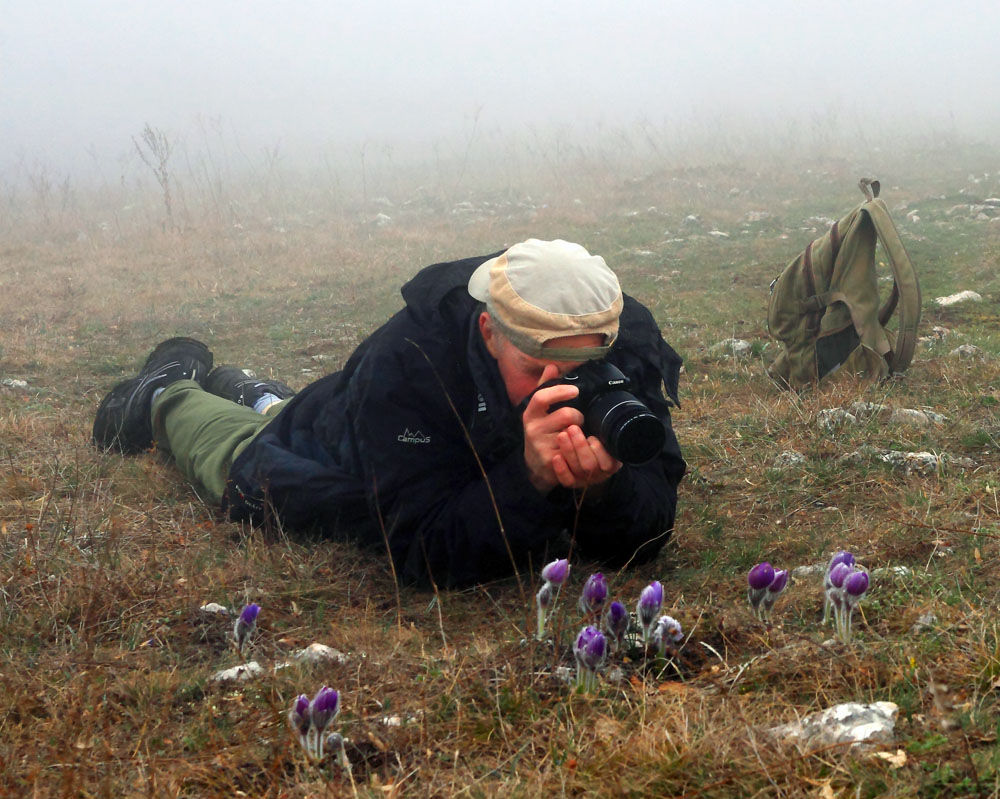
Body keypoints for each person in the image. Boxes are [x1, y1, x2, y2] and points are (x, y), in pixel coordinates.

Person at [93, 239, 686, 587]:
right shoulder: (408, 360)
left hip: (356, 414)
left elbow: (651, 520)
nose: (560, 389)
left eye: (579, 369)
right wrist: (529, 477)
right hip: (330, 453)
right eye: (536, 370)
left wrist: (601, 492)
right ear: (489, 331)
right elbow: (423, 555)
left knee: (295, 408)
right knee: (243, 455)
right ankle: (172, 389)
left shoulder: (620, 341)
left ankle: (253, 390)